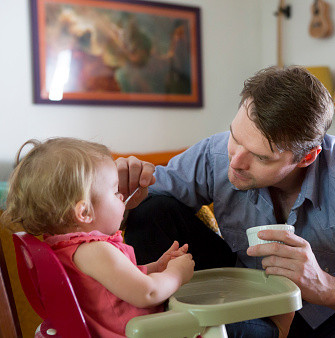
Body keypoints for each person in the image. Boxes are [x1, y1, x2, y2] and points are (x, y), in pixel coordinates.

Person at [116, 66, 335, 337]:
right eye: (235, 137)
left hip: (329, 313)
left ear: (306, 157)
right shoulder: (217, 154)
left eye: (260, 156)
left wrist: (325, 286)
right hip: (241, 296)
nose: (235, 162)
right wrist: (121, 196)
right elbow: (134, 215)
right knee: (150, 208)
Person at [0, 138, 195, 337]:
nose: (122, 197)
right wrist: (176, 273)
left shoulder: (69, 249)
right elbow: (148, 293)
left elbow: (116, 285)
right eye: (115, 191)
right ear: (84, 212)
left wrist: (158, 267)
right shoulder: (95, 250)